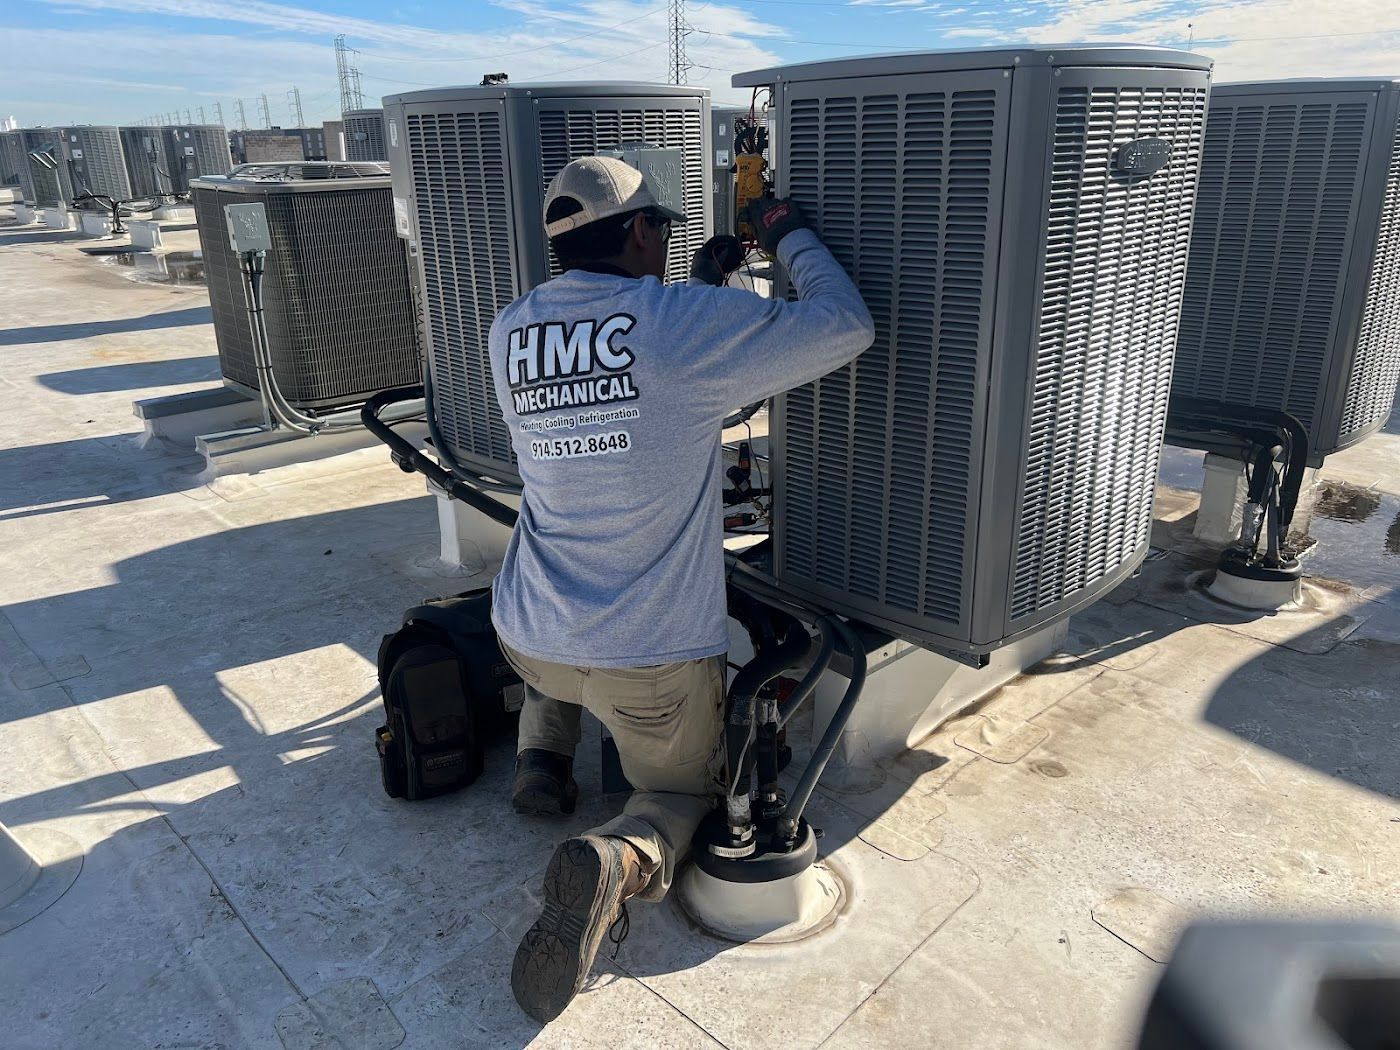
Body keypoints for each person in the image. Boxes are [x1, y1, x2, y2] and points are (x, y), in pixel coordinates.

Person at [489, 154, 874, 1022]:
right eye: (659, 224)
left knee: (557, 646)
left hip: (527, 635)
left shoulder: (508, 328)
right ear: (641, 231)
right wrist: (785, 234)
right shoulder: (682, 323)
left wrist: (694, 288)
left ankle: (539, 758)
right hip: (648, 668)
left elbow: (620, 383)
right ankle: (622, 859)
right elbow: (845, 325)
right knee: (681, 794)